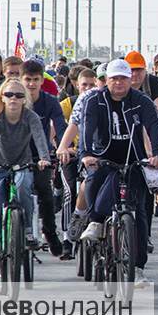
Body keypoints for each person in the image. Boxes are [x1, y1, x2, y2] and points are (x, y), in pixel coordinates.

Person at [77, 59, 158, 287]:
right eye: (114, 78)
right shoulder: (94, 100)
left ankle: (138, 267)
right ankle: (95, 223)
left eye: (123, 78)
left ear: (129, 80)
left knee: (141, 214)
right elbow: (87, 127)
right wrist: (86, 154)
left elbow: (154, 126)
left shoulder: (141, 101)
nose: (118, 83)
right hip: (102, 157)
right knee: (94, 184)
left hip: (132, 158)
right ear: (106, 80)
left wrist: (156, 153)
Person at [0, 79, 51, 274]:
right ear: (2, 97)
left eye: (19, 95)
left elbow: (40, 137)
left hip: (21, 165)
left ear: (25, 99)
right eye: (9, 95)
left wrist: (44, 158)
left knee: (25, 186)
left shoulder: (30, 117)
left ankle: (26, 231)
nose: (14, 99)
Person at [20, 58, 66, 256]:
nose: (31, 84)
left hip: (41, 155)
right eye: (27, 79)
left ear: (41, 81)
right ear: (21, 80)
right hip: (15, 155)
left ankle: (49, 232)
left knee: (45, 194)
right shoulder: (14, 100)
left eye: (35, 79)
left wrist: (64, 146)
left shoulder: (50, 102)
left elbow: (60, 125)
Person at [54, 68, 99, 258]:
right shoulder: (68, 104)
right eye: (84, 85)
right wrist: (62, 148)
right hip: (71, 155)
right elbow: (55, 129)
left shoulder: (100, 102)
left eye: (91, 85)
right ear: (76, 85)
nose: (87, 88)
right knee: (69, 190)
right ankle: (66, 237)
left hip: (94, 156)